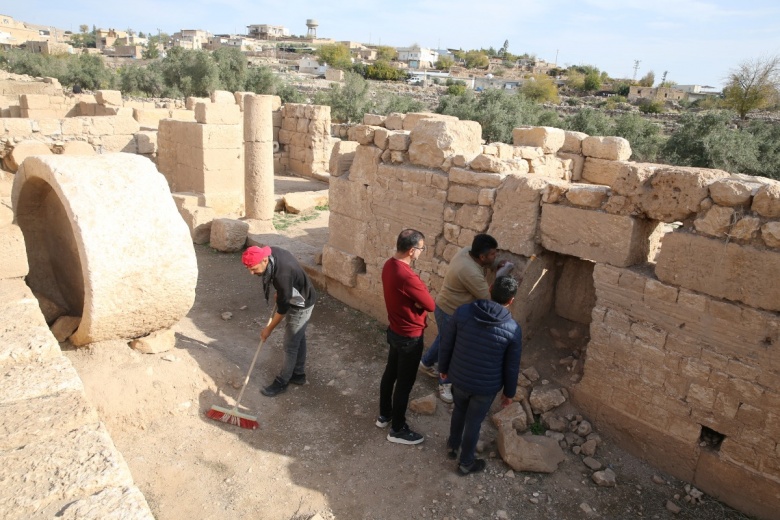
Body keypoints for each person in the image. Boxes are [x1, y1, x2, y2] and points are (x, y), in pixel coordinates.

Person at [438, 276, 522, 476]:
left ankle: (452, 445)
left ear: (490, 288)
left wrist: (443, 368)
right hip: (486, 387)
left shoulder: (464, 312)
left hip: (459, 377)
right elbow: (511, 366)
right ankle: (466, 462)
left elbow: (446, 341)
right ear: (511, 300)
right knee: (474, 421)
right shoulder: (513, 329)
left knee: (459, 410)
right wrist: (509, 393)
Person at [419, 234, 513, 403]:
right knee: (450, 347)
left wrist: (494, 264)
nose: (495, 256)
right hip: (449, 311)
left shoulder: (468, 252)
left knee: (444, 339)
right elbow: (487, 299)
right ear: (482, 256)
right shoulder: (469, 272)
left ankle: (425, 363)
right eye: (492, 254)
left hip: (445, 307)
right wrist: (500, 275)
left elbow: (485, 266)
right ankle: (444, 383)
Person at [378, 229, 436, 445]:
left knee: (390, 373)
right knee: (404, 383)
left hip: (394, 330)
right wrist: (419, 302)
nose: (422, 252)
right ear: (412, 251)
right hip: (410, 337)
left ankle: (385, 415)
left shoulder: (388, 265)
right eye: (421, 248)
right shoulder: (408, 276)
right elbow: (430, 304)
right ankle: (398, 428)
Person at [242, 245, 317, 397]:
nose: (251, 273)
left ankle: (282, 381)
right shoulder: (272, 252)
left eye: (254, 268)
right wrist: (283, 291)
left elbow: (282, 310)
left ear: (264, 260)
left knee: (290, 345)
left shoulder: (282, 277)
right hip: (297, 293)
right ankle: (298, 374)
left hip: (301, 302)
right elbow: (285, 282)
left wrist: (268, 329)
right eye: (248, 268)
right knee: (297, 337)